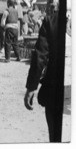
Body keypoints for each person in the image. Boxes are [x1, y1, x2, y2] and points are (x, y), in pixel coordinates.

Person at [24, 14, 63, 142]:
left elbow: (40, 56)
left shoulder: (51, 20)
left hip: (55, 90)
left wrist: (31, 87)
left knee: (55, 137)